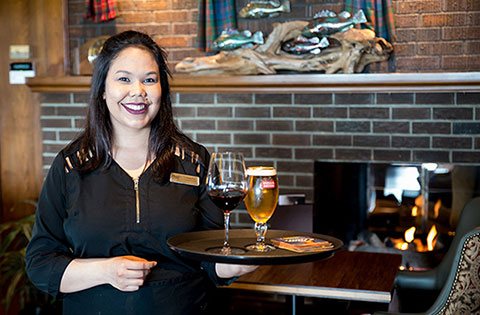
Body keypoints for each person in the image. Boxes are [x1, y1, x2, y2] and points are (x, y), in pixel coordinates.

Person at [25, 30, 256, 315]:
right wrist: (107, 271)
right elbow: (41, 264)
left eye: (149, 79)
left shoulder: (194, 161)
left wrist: (239, 261)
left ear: (162, 90)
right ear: (102, 89)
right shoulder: (71, 165)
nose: (139, 91)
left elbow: (209, 259)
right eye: (124, 79)